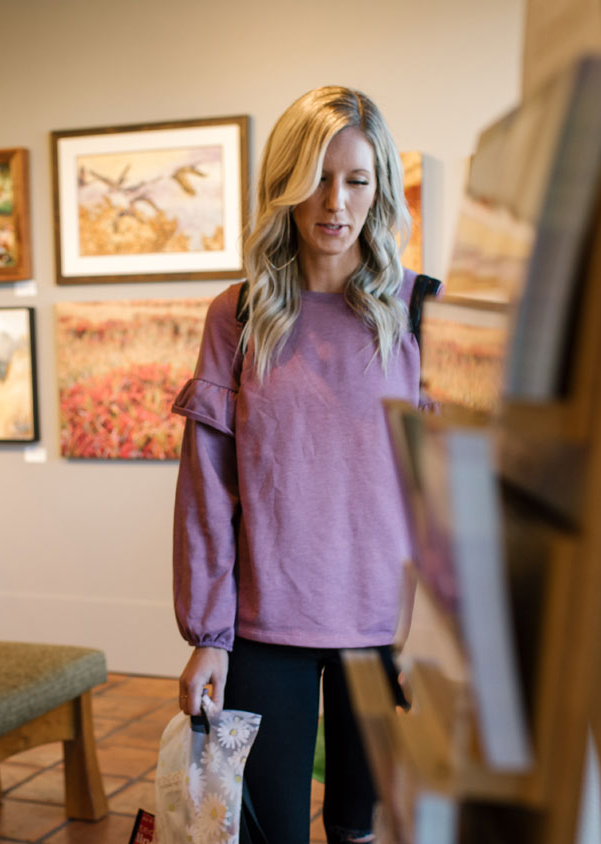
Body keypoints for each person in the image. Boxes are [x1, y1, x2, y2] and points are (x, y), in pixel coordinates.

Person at [172, 86, 421, 844]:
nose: (335, 203)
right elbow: (207, 491)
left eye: (357, 179)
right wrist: (208, 636)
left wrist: (443, 637)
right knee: (260, 833)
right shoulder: (238, 316)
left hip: (388, 634)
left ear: (381, 189)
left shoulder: (424, 313)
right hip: (264, 630)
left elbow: (454, 492)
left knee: (364, 830)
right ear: (283, 185)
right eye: (315, 177)